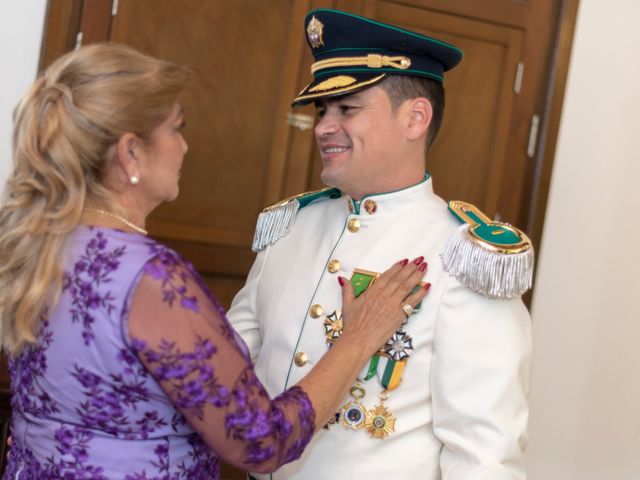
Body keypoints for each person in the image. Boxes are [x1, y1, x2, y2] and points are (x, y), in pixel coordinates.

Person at [0, 42, 431, 479]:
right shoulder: (149, 276)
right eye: (175, 128)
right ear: (131, 153)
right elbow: (261, 441)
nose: (184, 146)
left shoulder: (38, 244)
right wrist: (358, 337)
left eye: (346, 109)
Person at [229, 8, 534, 480]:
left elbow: (483, 456)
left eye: (347, 109)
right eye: (322, 110)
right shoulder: (289, 227)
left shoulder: (463, 256)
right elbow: (223, 372)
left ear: (415, 118)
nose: (324, 126)